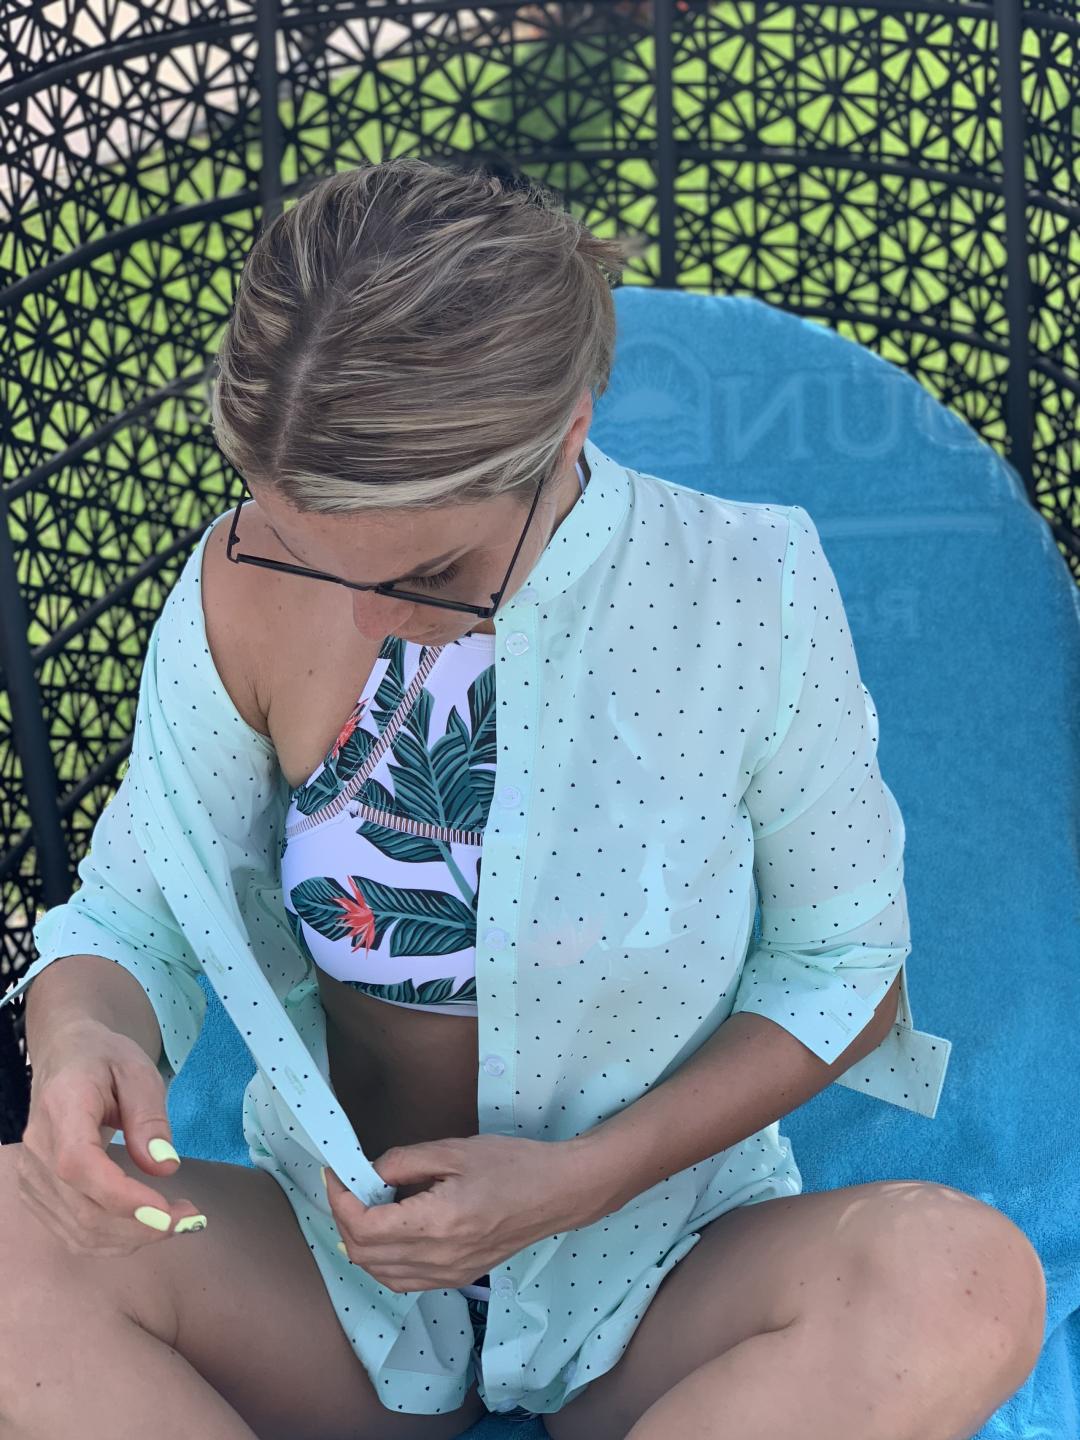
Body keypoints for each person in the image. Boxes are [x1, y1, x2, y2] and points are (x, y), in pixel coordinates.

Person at [0, 158, 1045, 1440]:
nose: (368, 622)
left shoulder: (748, 590)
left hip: (657, 1262)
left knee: (966, 1283)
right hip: (340, 1276)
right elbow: (132, 918)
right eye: (311, 555)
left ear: (570, 432)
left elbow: (847, 966)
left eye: (432, 571)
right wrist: (82, 1038)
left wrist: (579, 1183)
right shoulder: (244, 583)